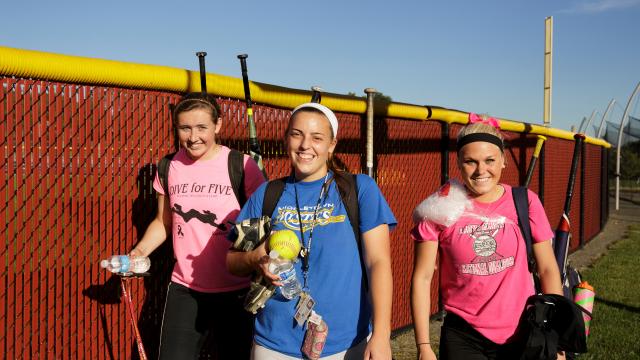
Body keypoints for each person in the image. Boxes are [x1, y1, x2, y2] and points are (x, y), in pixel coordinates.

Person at [227, 102, 396, 359]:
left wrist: (382, 334)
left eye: (317, 137)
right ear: (286, 139)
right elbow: (231, 261)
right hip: (274, 344)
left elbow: (379, 263)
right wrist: (256, 257)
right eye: (297, 134)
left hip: (346, 342)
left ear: (331, 145)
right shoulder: (268, 194)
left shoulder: (358, 189)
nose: (306, 145)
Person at [410, 114, 565, 360]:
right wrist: (423, 345)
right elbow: (422, 276)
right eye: (470, 161)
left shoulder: (525, 202)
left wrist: (555, 339)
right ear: (459, 162)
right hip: (464, 335)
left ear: (503, 160)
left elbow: (547, 269)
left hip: (523, 331)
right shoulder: (440, 208)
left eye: (489, 160)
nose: (481, 170)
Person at [129, 93, 265, 359]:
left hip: (236, 290)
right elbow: (163, 222)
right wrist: (140, 251)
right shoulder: (169, 167)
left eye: (202, 127)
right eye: (185, 128)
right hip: (185, 288)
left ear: (218, 126)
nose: (193, 137)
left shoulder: (241, 165)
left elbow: (265, 220)